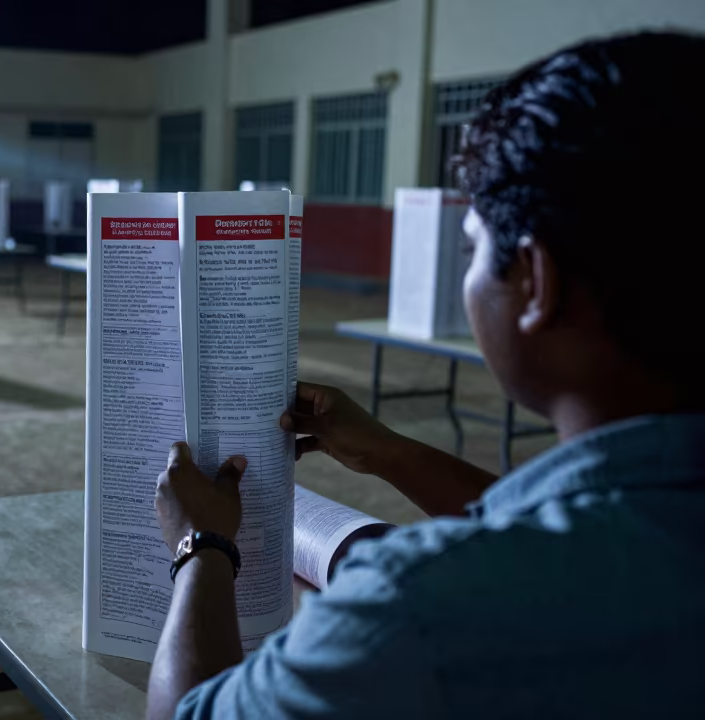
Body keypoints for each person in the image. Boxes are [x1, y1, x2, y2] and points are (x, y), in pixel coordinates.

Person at [146, 31, 705, 719]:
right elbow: (595, 531)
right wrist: (391, 453)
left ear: (535, 282)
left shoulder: (417, 605)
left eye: (472, 248)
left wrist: (202, 547)